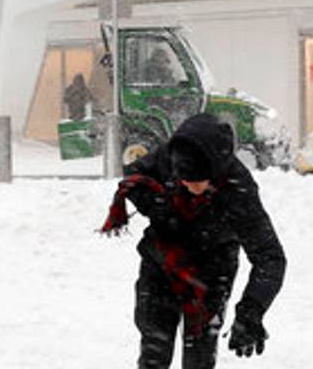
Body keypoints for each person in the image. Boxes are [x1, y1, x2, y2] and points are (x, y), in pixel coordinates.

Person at [99, 113, 286, 368]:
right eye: (184, 180)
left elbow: (270, 256)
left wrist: (251, 311)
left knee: (199, 358)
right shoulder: (170, 156)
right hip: (161, 264)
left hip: (211, 275)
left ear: (216, 171)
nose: (189, 187)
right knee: (154, 350)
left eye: (197, 181)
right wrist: (157, 206)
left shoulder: (238, 189)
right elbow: (134, 180)